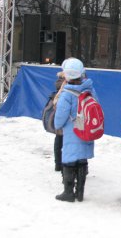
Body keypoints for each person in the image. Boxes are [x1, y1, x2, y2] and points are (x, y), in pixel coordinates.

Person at [54, 58, 97, 202]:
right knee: (82, 159)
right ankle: (80, 192)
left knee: (69, 159)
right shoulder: (89, 89)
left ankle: (68, 192)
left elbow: (60, 116)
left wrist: (57, 125)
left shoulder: (67, 94)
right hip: (85, 128)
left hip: (72, 130)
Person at [52, 71, 66, 172]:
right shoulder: (66, 84)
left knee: (59, 139)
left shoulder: (59, 82)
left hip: (60, 115)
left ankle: (58, 164)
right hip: (69, 117)